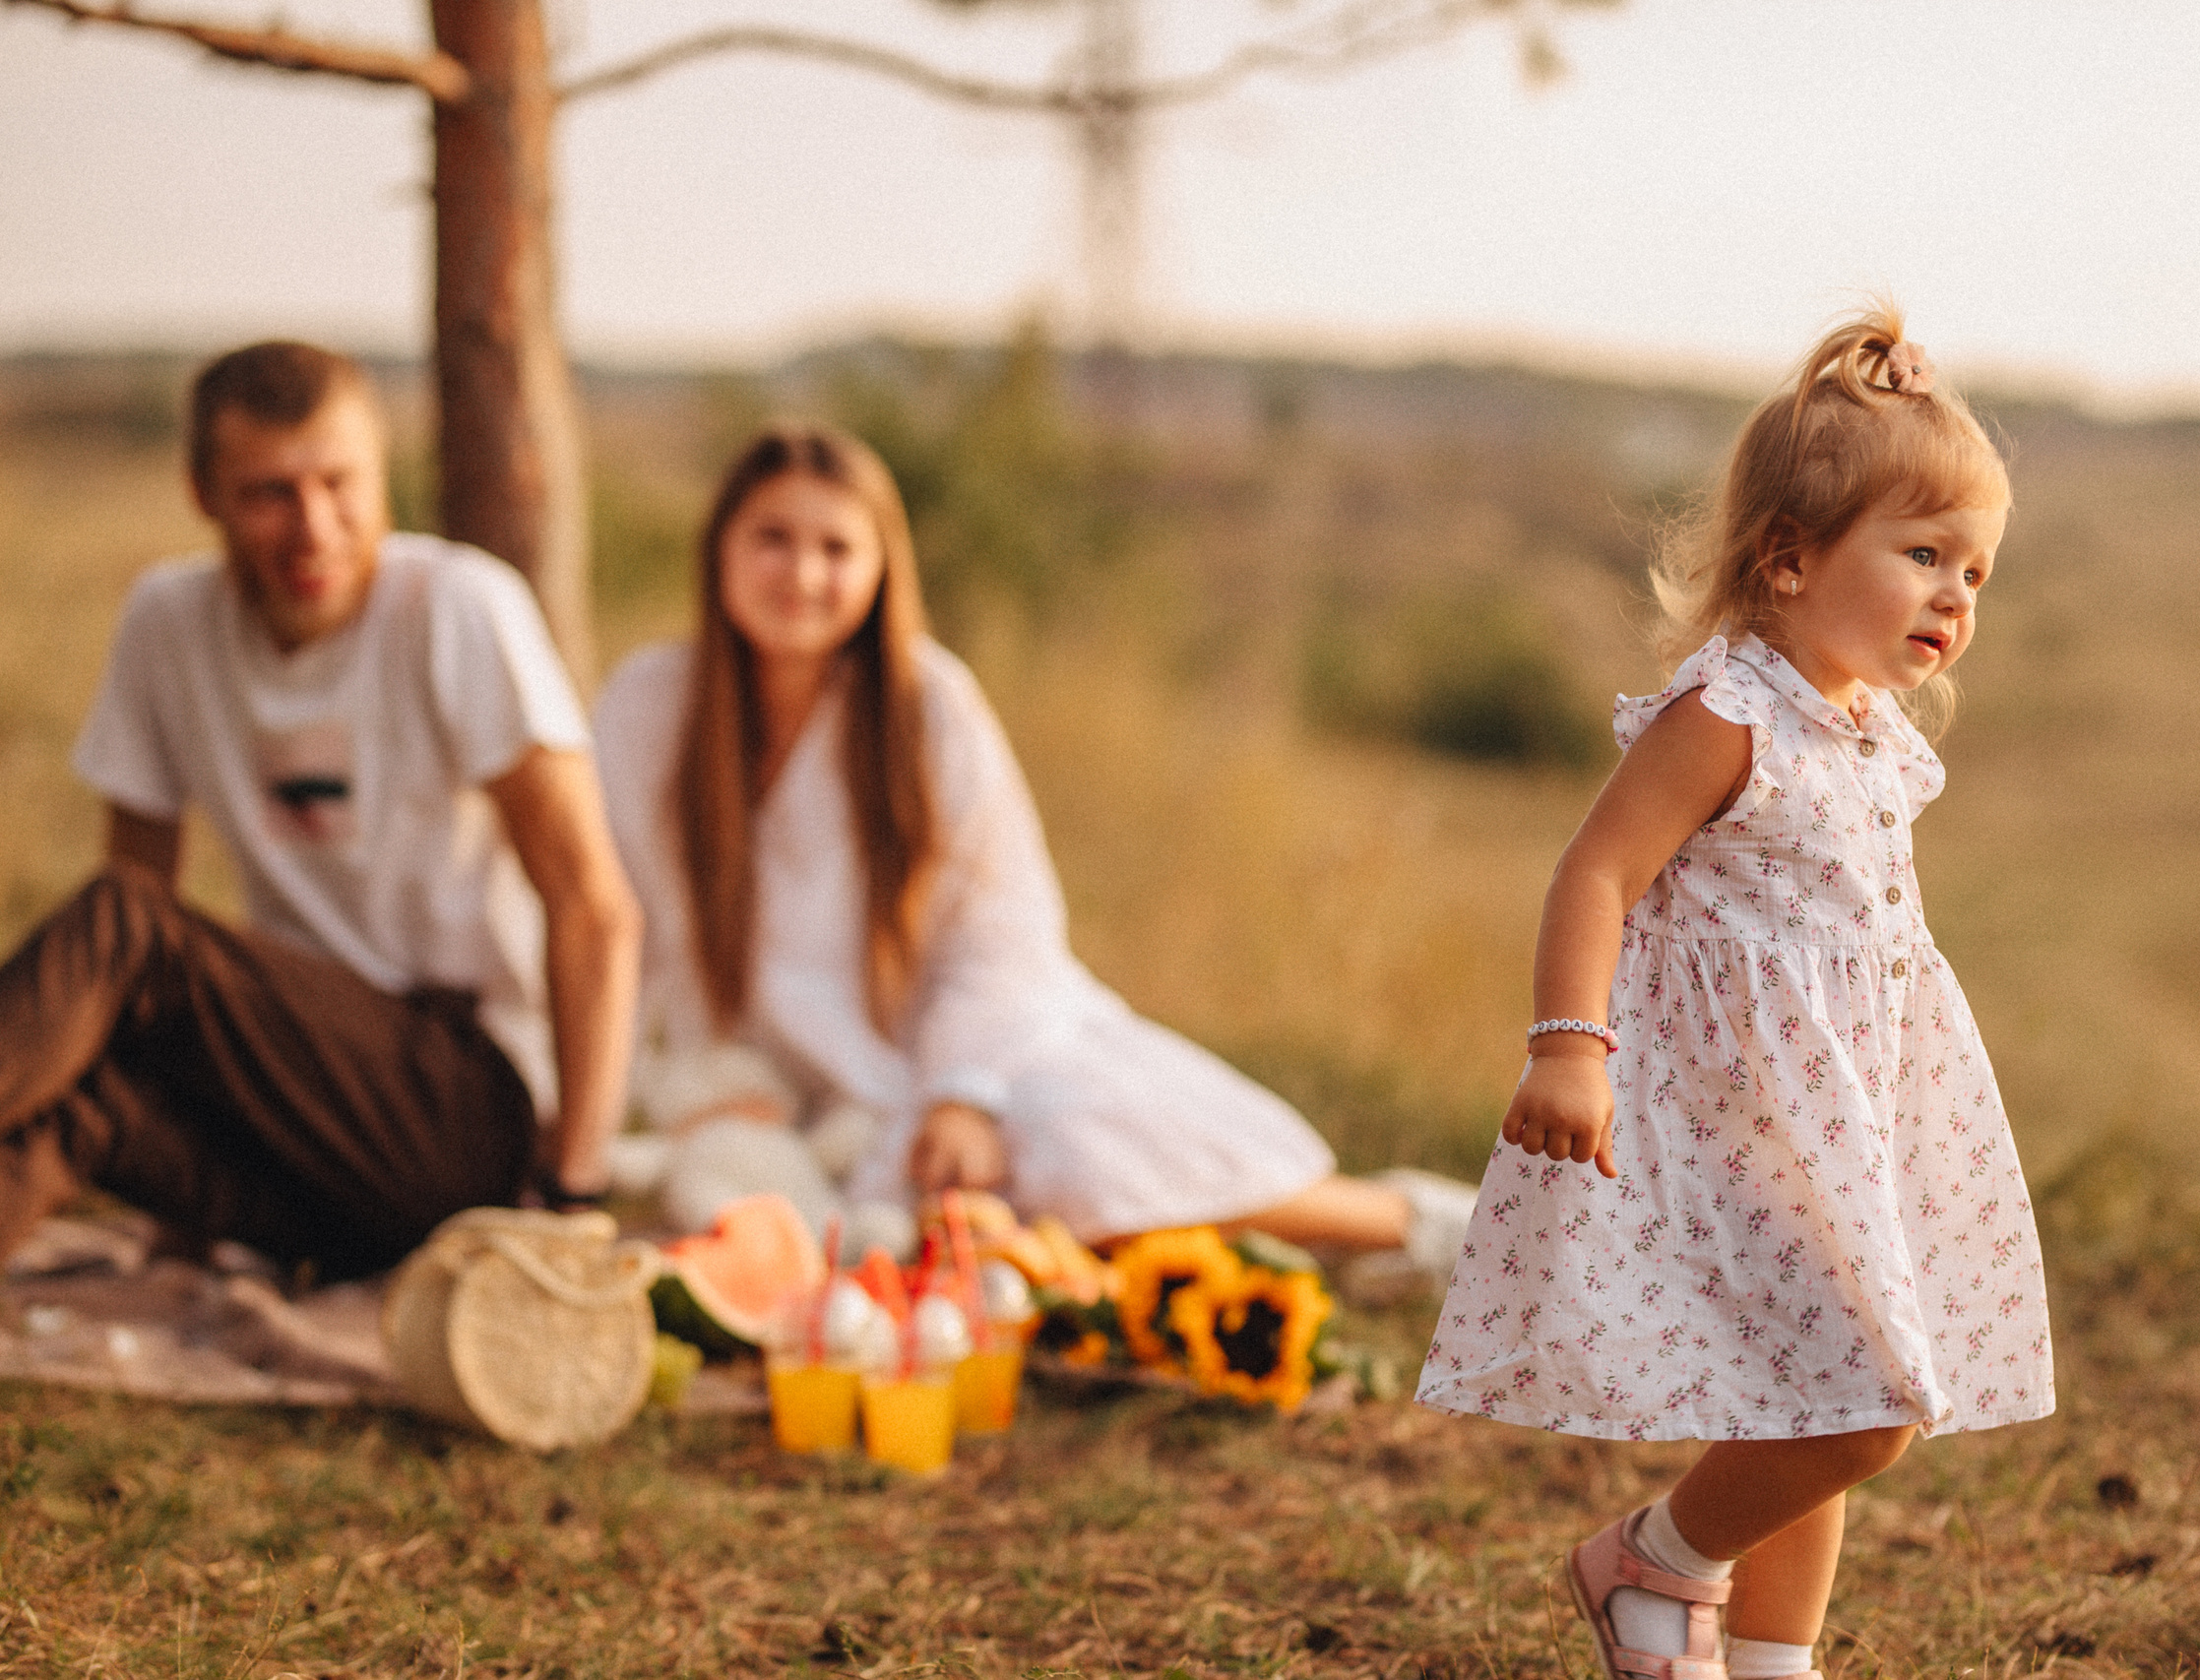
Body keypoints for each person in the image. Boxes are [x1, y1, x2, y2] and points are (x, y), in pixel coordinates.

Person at [1414, 308, 2054, 1680]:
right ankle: (1656, 1558)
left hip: (1844, 1114)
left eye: (1977, 570)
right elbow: (1597, 873)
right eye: (1925, 554)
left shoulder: (1864, 726)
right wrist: (1569, 1046)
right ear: (1790, 556)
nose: (1958, 596)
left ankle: (1771, 1656)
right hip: (1736, 1115)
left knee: (1814, 1390)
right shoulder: (1731, 710)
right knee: (1873, 1399)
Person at [592, 426, 1473, 1280]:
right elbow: (616, 925)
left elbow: (1001, 923)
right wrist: (664, 1089)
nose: (803, 574)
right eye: (773, 539)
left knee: (1072, 1157)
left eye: (836, 547)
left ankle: (1407, 1225)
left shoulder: (927, 705)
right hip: (779, 1086)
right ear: (720, 549)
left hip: (971, 1039)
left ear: (880, 566)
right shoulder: (645, 707)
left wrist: (963, 1093)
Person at [0, 342, 641, 1280]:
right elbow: (133, 898)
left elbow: (594, 906)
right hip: (299, 1134)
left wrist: (574, 1191)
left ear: (384, 474)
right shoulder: (167, 621)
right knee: (76, 1110)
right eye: (269, 492)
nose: (315, 527)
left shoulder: (457, 607)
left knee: (122, 924)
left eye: (340, 482)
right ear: (201, 492)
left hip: (461, 1106)